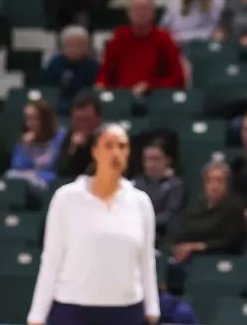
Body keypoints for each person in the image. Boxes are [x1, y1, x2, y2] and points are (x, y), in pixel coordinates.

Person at [27, 124, 158, 325]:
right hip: (72, 309)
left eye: (122, 146)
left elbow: (146, 260)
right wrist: (36, 316)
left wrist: (152, 310)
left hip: (126, 310)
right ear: (95, 151)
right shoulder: (66, 198)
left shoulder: (140, 202)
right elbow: (52, 259)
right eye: (109, 146)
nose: (116, 152)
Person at [96, 0, 187, 97]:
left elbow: (178, 79)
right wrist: (100, 85)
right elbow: (106, 74)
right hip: (122, 96)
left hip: (155, 97)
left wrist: (151, 86)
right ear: (129, 13)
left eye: (144, 9)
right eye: (137, 9)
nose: (140, 13)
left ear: (153, 13)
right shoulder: (119, 37)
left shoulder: (164, 39)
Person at [168, 162, 247, 262]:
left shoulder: (233, 208)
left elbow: (231, 242)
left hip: (220, 260)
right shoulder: (194, 208)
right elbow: (180, 233)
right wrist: (177, 248)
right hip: (189, 261)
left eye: (219, 181)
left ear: (228, 184)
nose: (214, 186)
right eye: (210, 181)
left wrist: (198, 246)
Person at [9, 99, 65, 192]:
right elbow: (16, 168)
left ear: (45, 119)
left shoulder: (60, 137)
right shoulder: (24, 139)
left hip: (49, 185)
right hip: (28, 185)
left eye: (35, 119)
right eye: (27, 119)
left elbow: (60, 170)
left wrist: (37, 175)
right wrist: (25, 148)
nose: (30, 123)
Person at [42, 27, 100, 115]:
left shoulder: (93, 66)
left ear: (87, 46)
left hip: (85, 106)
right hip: (58, 105)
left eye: (79, 45)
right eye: (71, 45)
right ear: (63, 46)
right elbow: (48, 89)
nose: (75, 49)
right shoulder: (55, 64)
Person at [137, 142, 184, 239]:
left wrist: (145, 221)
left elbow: (170, 215)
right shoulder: (136, 184)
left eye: (156, 159)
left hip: (160, 237)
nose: (151, 164)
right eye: (147, 159)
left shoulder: (175, 185)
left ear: (167, 160)